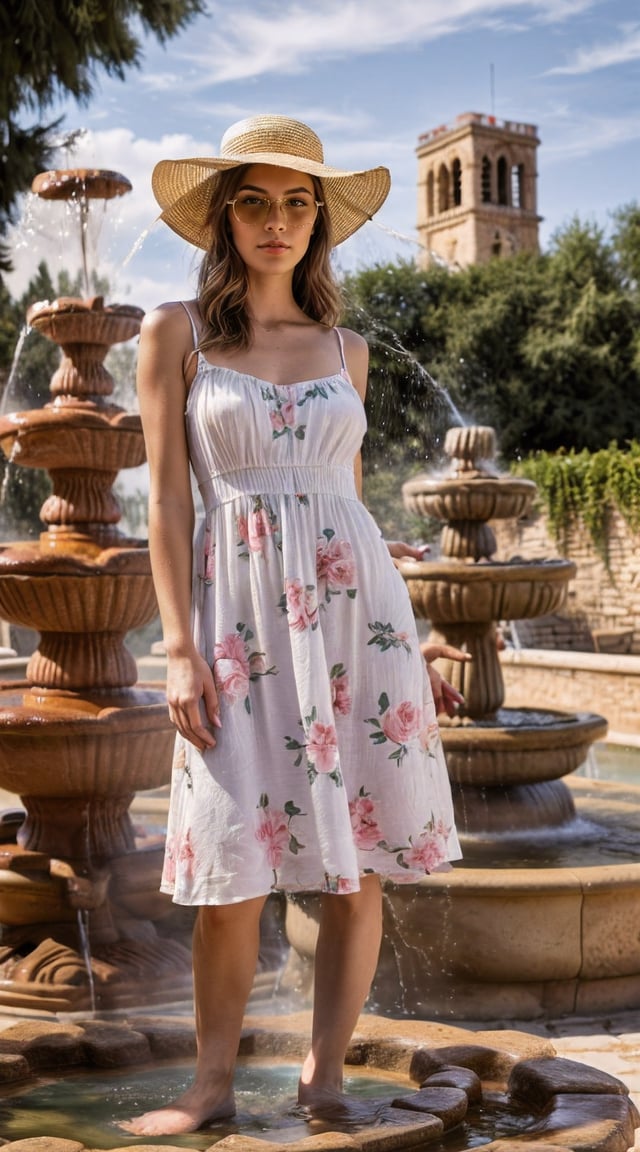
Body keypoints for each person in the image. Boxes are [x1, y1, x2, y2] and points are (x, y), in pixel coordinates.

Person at [121, 114, 463, 1137]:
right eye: (256, 202)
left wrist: (411, 635)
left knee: (357, 865)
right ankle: (210, 1086)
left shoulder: (348, 350)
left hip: (356, 621)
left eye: (298, 203)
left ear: (319, 221)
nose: (278, 221)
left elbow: (340, 500)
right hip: (234, 624)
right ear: (223, 218)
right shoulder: (176, 333)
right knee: (230, 868)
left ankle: (323, 1080)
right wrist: (179, 647)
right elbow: (167, 502)